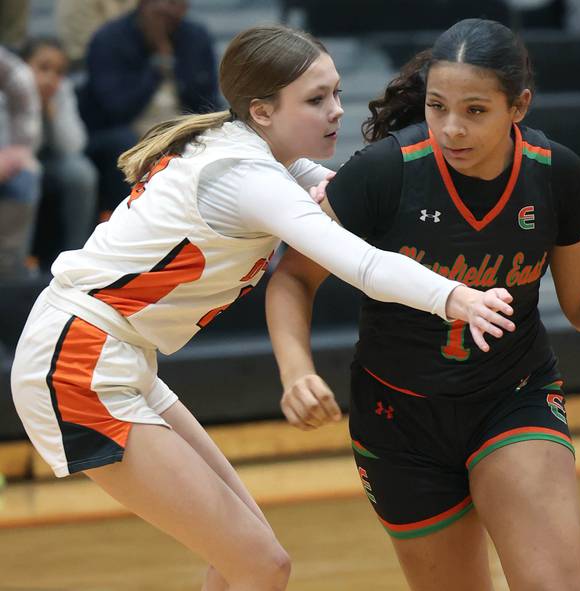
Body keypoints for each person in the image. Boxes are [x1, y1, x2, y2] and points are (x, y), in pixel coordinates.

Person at [10, 25, 514, 591]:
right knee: (262, 565)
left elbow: (365, 200)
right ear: (262, 111)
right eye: (316, 99)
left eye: (338, 94)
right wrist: (455, 296)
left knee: (242, 558)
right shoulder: (244, 176)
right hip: (79, 363)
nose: (337, 112)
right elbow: (362, 264)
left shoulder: (265, 157)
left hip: (111, 356)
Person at [266, 18, 580, 591]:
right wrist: (296, 373)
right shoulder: (385, 173)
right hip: (399, 419)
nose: (451, 129)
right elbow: (292, 279)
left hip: (512, 397)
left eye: (475, 111)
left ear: (518, 106)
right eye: (437, 106)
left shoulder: (555, 175)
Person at [78, 0, 220, 218]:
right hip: (125, 131)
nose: (171, 12)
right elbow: (117, 109)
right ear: (144, 4)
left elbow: (206, 103)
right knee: (124, 143)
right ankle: (132, 222)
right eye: (167, 3)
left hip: (181, 128)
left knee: (221, 138)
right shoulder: (109, 38)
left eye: (179, 5)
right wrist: (158, 63)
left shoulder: (196, 37)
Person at [21, 37, 98, 266]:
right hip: (15, 160)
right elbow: (21, 149)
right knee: (27, 175)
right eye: (43, 67)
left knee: (81, 172)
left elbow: (74, 145)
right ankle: (16, 266)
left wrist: (51, 110)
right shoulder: (10, 88)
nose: (50, 78)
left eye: (59, 71)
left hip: (48, 158)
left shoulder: (61, 89)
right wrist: (31, 103)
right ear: (22, 65)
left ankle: (74, 261)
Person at [0, 45, 41, 279]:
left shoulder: (8, 67)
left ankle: (9, 274)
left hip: (5, 161)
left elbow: (21, 78)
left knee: (25, 178)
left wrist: (12, 157)